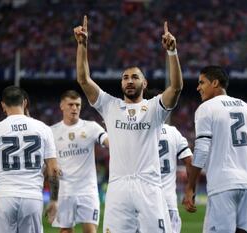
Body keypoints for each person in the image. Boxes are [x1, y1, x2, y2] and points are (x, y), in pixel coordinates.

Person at [74, 15, 183, 233]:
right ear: (121, 83)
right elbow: (84, 80)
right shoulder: (109, 105)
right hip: (118, 187)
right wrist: (82, 46)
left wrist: (172, 53)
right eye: (125, 77)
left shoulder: (154, 107)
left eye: (134, 77)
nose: (129, 80)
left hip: (149, 186)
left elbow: (176, 87)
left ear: (144, 82)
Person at [182, 66, 247, 233]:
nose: (198, 87)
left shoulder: (206, 108)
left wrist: (191, 186)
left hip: (223, 184)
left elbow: (201, 150)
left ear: (215, 83)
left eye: (202, 82)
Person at [0, 86, 61, 233]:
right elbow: (54, 169)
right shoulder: (43, 129)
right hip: (32, 197)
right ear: (24, 103)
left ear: (3, 105)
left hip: (4, 197)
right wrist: (54, 199)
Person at [50, 90, 109, 233]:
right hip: (64, 191)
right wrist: (53, 198)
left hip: (87, 190)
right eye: (70, 104)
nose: (75, 108)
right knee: (65, 231)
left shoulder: (92, 127)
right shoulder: (52, 131)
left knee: (90, 230)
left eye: (78, 105)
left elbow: (108, 141)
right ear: (62, 106)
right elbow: (50, 165)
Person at [158, 124, 192, 233]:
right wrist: (190, 189)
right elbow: (190, 161)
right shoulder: (173, 132)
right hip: (169, 202)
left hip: (146, 200)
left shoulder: (140, 130)